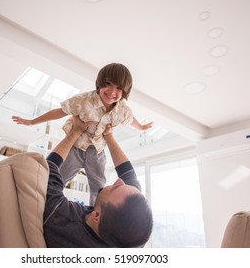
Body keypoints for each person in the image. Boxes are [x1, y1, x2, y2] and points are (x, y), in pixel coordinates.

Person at [12, 62, 152, 205]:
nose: (112, 91)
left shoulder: (123, 110)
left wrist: (140, 127)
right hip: (76, 146)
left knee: (99, 188)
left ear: (125, 91)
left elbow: (131, 119)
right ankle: (43, 204)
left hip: (97, 151)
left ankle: (95, 213)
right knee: (57, 178)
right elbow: (59, 112)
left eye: (118, 88)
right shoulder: (83, 101)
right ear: (99, 83)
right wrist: (32, 122)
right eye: (108, 84)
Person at [43, 115, 153, 247]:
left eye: (115, 188)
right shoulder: (130, 238)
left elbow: (48, 168)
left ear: (96, 216)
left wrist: (75, 132)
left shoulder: (61, 217)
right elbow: (128, 175)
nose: (119, 181)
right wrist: (109, 137)